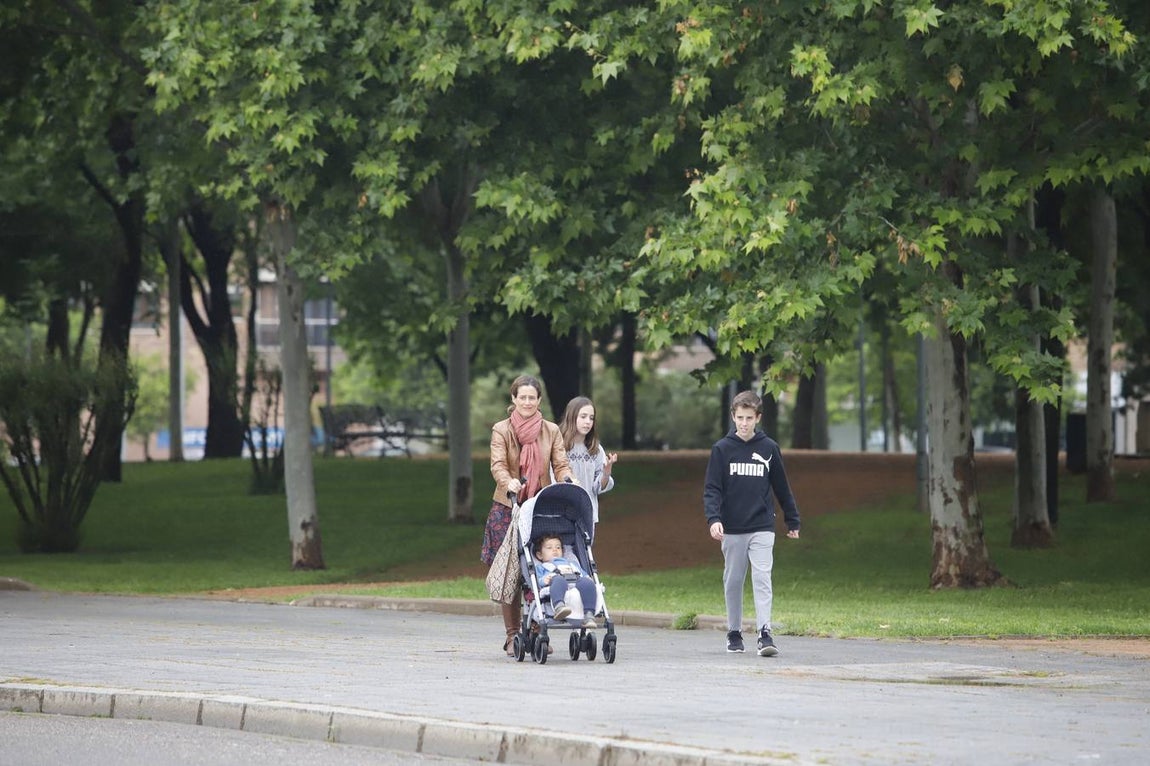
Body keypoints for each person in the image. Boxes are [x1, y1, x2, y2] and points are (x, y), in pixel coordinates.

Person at [482, 374, 574, 656]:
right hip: (508, 507)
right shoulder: (502, 429)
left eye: (531, 397)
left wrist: (567, 479)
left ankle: (536, 630)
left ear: (539, 401)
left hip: (539, 507)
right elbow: (497, 464)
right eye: (522, 397)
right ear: (513, 399)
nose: (526, 402)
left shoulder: (551, 430)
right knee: (512, 572)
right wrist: (507, 481)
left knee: (537, 567)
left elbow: (560, 463)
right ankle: (512, 635)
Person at [703, 390, 801, 657]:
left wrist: (792, 519)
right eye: (740, 418)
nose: (744, 423)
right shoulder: (722, 450)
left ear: (758, 417)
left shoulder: (769, 448)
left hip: (761, 526)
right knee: (733, 580)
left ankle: (764, 633)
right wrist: (714, 519)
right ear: (733, 417)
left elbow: (782, 487)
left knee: (762, 577)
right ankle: (734, 632)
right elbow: (712, 489)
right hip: (732, 528)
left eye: (749, 418)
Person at [557, 396, 618, 524]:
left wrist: (606, 473)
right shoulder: (558, 445)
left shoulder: (595, 449)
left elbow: (597, 488)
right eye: (583, 416)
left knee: (585, 545)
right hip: (560, 514)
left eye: (591, 418)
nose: (588, 422)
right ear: (571, 417)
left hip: (587, 515)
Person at [532, 534, 598, 628]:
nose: (554, 550)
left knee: (587, 583)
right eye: (549, 548)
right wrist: (544, 580)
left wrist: (588, 578)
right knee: (558, 579)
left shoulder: (572, 563)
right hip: (557, 583)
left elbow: (582, 573)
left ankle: (589, 614)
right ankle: (559, 606)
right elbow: (537, 581)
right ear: (539, 555)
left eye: (558, 547)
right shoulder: (541, 567)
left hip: (576, 581)